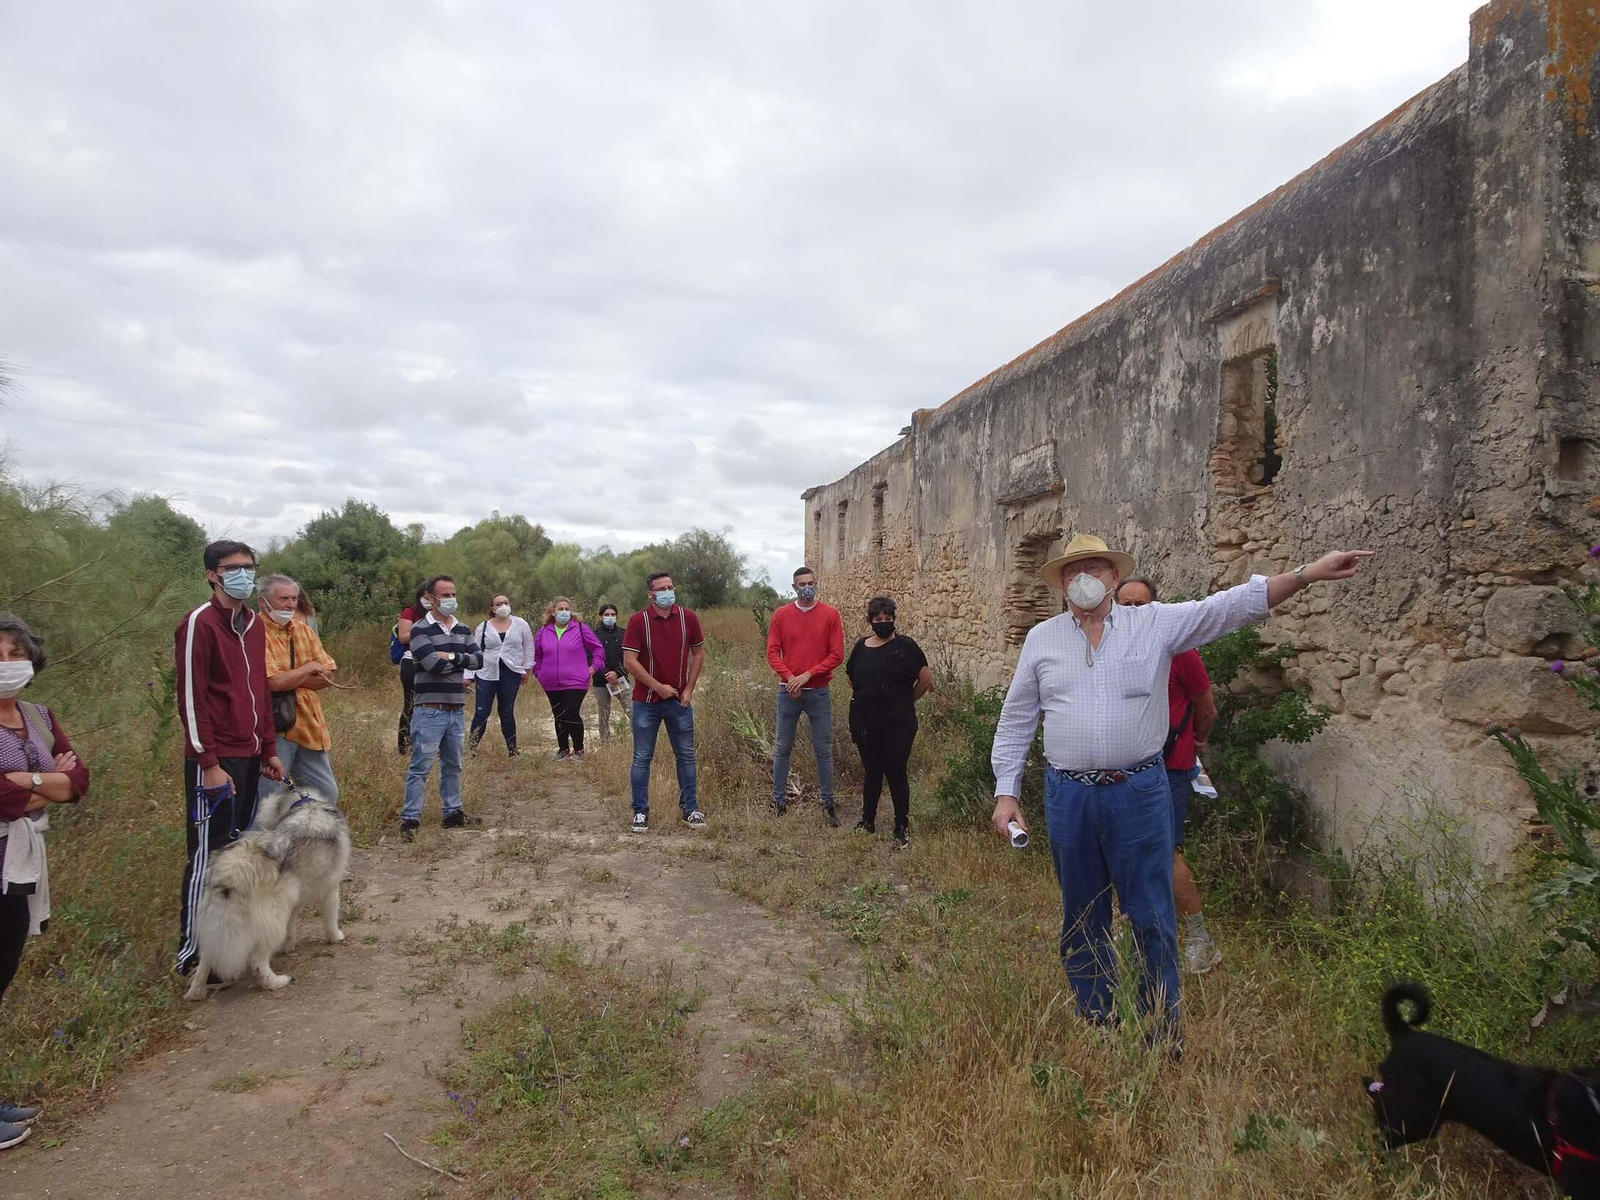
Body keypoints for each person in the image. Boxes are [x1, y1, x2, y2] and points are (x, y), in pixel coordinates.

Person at [990, 534, 1370, 1051]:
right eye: (1073, 570)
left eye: (1095, 568)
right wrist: (1006, 792)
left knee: (1151, 911)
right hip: (1069, 795)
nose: (1083, 579)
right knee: (1082, 911)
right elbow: (1016, 718)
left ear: (1114, 577)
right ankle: (1097, 1016)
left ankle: (1160, 1026)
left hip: (1138, 792)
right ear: (1060, 582)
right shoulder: (1042, 639)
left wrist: (1306, 574)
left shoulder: (1155, 624)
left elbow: (1229, 607)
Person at [0, 613, 89, 1151]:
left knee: (3, 972)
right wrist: (49, 782)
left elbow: (78, 781)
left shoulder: (37, 715)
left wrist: (29, 782)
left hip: (20, 865)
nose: (7, 664)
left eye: (15, 654)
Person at [174, 541, 284, 977]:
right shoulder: (198, 624)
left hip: (249, 755)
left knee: (237, 854)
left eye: (249, 567)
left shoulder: (253, 624)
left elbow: (258, 689)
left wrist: (268, 748)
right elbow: (192, 699)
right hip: (216, 761)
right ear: (211, 574)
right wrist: (208, 763)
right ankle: (193, 953)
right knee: (208, 856)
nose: (243, 574)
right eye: (232, 567)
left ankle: (229, 947)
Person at [1114, 576, 1222, 973]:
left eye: (1140, 604)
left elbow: (1206, 708)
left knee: (1165, 852)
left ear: (1155, 606)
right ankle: (1133, 928)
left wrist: (1194, 743)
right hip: (1123, 770)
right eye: (1125, 604)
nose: (1132, 611)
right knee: (1124, 849)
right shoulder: (1111, 649)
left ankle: (1199, 939)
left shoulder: (1179, 651)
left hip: (1169, 768)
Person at [845, 596, 933, 849]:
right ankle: (867, 821)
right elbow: (851, 678)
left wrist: (905, 700)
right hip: (865, 721)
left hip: (898, 722)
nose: (883, 622)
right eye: (878, 619)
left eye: (888, 618)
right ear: (870, 620)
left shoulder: (906, 647)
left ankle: (901, 827)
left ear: (894, 618)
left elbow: (925, 679)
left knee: (895, 772)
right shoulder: (861, 647)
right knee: (872, 771)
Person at [622, 572, 706, 833]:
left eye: (670, 587)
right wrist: (657, 686)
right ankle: (640, 811)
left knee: (686, 755)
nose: (668, 592)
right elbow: (630, 661)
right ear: (651, 594)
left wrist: (689, 688)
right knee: (642, 756)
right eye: (661, 589)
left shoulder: (688, 618)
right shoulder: (638, 621)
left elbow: (698, 653)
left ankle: (690, 809)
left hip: (679, 701)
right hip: (646, 701)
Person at [400, 576, 482, 839]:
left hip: (456, 707)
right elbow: (432, 665)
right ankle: (410, 819)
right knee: (421, 766)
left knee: (453, 764)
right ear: (431, 599)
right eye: (445, 595)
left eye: (453, 594)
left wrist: (450, 656)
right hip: (430, 709)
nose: (451, 599)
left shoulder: (463, 628)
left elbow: (479, 660)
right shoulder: (420, 630)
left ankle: (452, 812)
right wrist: (461, 661)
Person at [766, 566, 845, 826]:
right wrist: (790, 677)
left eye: (810, 583)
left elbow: (836, 655)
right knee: (782, 747)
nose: (807, 588)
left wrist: (807, 675)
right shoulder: (781, 615)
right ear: (794, 587)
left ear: (816, 584)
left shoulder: (830, 615)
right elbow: (772, 652)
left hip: (818, 691)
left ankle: (828, 804)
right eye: (802, 584)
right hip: (788, 691)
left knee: (822, 748)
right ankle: (778, 802)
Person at [258, 574, 340, 805]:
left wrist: (290, 677)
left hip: (308, 725)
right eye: (283, 598)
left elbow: (328, 676)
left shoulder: (304, 631)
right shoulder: (254, 632)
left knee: (325, 794)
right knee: (268, 799)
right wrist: (309, 668)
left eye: (294, 598)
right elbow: (272, 683)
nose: (290, 604)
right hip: (275, 726)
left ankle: (308, 829)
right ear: (263, 602)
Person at [530, 598, 605, 762]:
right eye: (560, 609)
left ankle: (579, 749)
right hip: (550, 681)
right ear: (553, 612)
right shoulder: (544, 631)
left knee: (571, 712)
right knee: (559, 714)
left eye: (567, 609)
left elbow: (598, 649)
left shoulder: (580, 628)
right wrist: (539, 672)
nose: (564, 612)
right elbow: (536, 654)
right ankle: (563, 748)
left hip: (576, 680)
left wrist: (593, 667)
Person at [467, 593, 535, 757]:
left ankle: (513, 750)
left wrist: (526, 669)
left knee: (506, 711)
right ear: (492, 608)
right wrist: (468, 675)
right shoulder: (484, 626)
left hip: (511, 673)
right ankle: (471, 749)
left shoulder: (520, 624)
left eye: (505, 602)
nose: (503, 606)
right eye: (498, 604)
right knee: (482, 711)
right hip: (486, 673)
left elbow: (528, 646)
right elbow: (475, 650)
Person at [396, 583, 430, 755]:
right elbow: (403, 637)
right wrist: (426, 630)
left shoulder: (442, 614)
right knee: (410, 703)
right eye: (426, 596)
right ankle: (404, 745)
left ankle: (429, 743)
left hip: (434, 661)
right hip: (412, 661)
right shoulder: (410, 611)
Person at [591, 602, 631, 743]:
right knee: (603, 715)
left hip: (620, 679)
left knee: (631, 710)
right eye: (607, 614)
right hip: (601, 681)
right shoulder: (593, 635)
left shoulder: (624, 634)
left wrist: (618, 673)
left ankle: (639, 741)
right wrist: (606, 673)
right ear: (601, 616)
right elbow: (590, 657)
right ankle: (605, 744)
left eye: (613, 614)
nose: (610, 617)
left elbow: (630, 657)